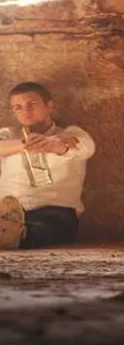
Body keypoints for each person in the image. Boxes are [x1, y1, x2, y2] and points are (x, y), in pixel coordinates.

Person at [0, 82, 95, 249]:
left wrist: (53, 144)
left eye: (32, 104)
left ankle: (18, 235)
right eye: (18, 107)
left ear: (49, 106)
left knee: (45, 227)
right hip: (8, 212)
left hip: (56, 211)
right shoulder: (8, 135)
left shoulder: (70, 133)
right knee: (7, 221)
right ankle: (8, 232)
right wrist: (25, 144)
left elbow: (87, 147)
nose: (26, 111)